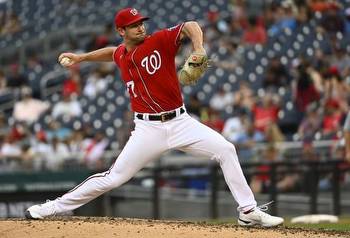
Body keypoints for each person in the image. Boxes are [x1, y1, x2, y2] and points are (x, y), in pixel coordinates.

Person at [25, 7, 283, 227]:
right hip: (148, 130)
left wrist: (199, 47)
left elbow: (190, 25)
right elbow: (111, 52)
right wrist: (82, 58)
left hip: (181, 123)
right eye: (133, 25)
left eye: (140, 23)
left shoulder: (158, 41)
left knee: (226, 149)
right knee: (113, 177)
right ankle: (52, 207)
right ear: (121, 32)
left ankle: (248, 211)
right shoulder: (121, 54)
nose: (140, 28)